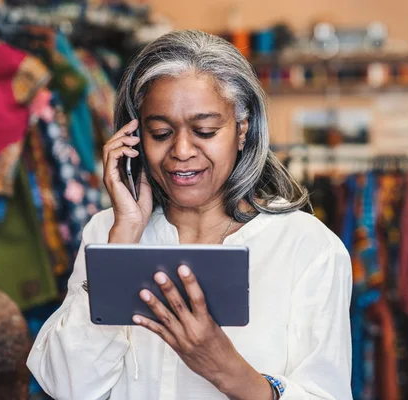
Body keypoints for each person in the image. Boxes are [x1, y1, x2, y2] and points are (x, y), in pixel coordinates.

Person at [27, 30, 353, 400]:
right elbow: (68, 388)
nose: (182, 150)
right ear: (134, 138)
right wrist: (121, 246)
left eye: (205, 130)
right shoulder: (109, 231)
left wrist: (226, 369)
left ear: (242, 130)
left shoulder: (307, 248)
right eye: (160, 133)